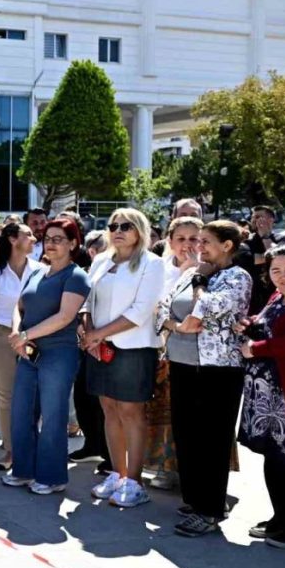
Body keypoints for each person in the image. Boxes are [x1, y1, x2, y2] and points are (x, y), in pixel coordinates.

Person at [156, 220, 251, 537]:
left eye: (206, 241)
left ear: (226, 245)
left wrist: (200, 285)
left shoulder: (236, 276)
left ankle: (210, 509)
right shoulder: (192, 273)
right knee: (187, 434)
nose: (199, 247)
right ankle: (196, 500)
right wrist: (176, 325)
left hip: (218, 370)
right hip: (182, 363)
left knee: (212, 438)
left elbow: (208, 307)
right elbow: (162, 309)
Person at [80, 209, 166, 507]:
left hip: (133, 347)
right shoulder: (102, 259)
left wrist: (98, 334)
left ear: (140, 230)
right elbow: (86, 300)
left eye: (126, 226)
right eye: (113, 225)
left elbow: (142, 310)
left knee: (131, 412)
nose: (118, 230)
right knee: (109, 409)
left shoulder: (152, 264)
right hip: (98, 346)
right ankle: (117, 474)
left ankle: (135, 481)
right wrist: (89, 331)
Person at [0, 220, 90, 495]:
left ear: (73, 244)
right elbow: (19, 305)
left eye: (59, 239)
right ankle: (24, 470)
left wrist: (26, 336)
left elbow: (64, 317)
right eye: (47, 238)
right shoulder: (37, 272)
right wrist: (17, 331)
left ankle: (52, 477)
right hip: (28, 353)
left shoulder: (76, 276)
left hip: (58, 354)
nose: (50, 243)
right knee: (22, 412)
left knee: (53, 415)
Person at [238, 244, 285, 549]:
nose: (283, 277)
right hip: (266, 397)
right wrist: (250, 323)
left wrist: (256, 348)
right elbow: (268, 323)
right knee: (274, 457)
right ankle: (281, 516)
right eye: (275, 270)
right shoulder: (276, 297)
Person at [145, 217, 203, 490]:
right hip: (162, 346)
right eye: (181, 239)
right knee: (164, 411)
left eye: (194, 239)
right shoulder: (160, 269)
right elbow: (156, 308)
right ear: (170, 241)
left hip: (196, 354)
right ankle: (166, 468)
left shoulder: (210, 269)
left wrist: (193, 271)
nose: (187, 245)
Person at [0, 223, 41, 471]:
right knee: (5, 395)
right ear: (14, 240)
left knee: (32, 396)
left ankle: (30, 446)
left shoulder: (40, 270)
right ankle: (11, 450)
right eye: (29, 235)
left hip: (34, 336)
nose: (35, 239)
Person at [71, 231, 112, 471]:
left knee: (106, 404)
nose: (95, 253)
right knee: (83, 396)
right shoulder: (89, 272)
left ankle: (111, 454)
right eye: (92, 249)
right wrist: (86, 333)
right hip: (87, 343)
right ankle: (92, 444)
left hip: (110, 343)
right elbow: (83, 305)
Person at [244, 206, 285, 314]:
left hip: (277, 292)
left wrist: (265, 236)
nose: (255, 220)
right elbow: (247, 260)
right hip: (253, 297)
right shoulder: (246, 242)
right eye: (253, 217)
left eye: (259, 217)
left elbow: (279, 257)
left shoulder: (283, 239)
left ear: (271, 220)